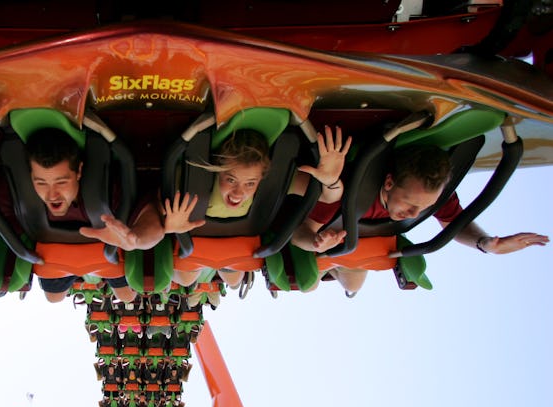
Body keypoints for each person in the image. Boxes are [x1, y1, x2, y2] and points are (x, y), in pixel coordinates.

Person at [298, 144, 549, 295]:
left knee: (354, 285)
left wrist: (485, 243)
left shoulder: (429, 195)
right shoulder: (352, 190)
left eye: (425, 207)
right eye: (409, 204)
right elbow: (307, 228)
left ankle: (338, 274)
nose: (414, 214)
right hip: (330, 235)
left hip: (362, 246)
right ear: (388, 183)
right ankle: (325, 272)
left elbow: (454, 223)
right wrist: (317, 242)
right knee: (310, 286)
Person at [162, 126, 352, 302]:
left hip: (234, 242)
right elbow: (160, 202)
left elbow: (328, 198)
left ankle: (212, 281)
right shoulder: (193, 178)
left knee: (234, 279)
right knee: (187, 280)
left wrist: (331, 181)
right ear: (217, 170)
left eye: (250, 183)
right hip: (195, 242)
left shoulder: (271, 181)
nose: (238, 193)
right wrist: (167, 222)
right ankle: (203, 281)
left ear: (262, 178)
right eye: (230, 179)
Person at [0, 127, 164, 304]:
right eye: (41, 182)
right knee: (54, 299)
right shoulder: (16, 193)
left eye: (61, 182)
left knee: (127, 297)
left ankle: (96, 281)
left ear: (79, 171)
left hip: (106, 254)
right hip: (56, 257)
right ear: (30, 175)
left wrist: (137, 240)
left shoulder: (104, 193)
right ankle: (91, 279)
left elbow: (150, 217)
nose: (52, 195)